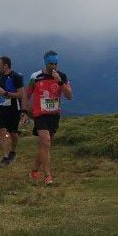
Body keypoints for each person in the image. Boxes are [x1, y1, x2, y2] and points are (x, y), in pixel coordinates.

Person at [26, 50, 73, 185]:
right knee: (45, 141)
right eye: (51, 63)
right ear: (46, 63)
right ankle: (48, 176)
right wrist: (24, 110)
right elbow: (27, 93)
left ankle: (34, 171)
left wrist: (60, 82)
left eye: (55, 63)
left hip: (54, 115)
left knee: (45, 145)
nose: (53, 66)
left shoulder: (62, 76)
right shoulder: (36, 76)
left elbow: (69, 96)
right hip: (39, 114)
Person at [0, 56, 29, 165]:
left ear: (6, 66)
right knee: (1, 130)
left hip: (14, 108)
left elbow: (21, 94)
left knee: (13, 133)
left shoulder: (16, 77)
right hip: (1, 107)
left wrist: (5, 93)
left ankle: (13, 151)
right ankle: (5, 157)